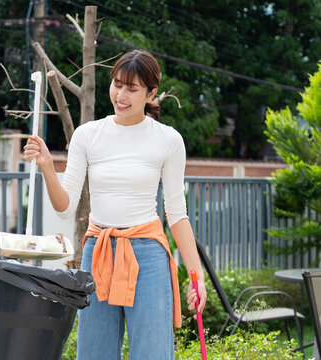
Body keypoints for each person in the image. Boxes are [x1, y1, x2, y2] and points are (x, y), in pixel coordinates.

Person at [24, 50, 207, 359]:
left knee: (152, 353)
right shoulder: (87, 135)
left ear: (151, 93)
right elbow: (64, 206)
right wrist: (45, 165)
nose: (121, 95)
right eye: (117, 84)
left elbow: (176, 215)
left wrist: (196, 276)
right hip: (98, 252)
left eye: (132, 88)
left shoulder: (168, 140)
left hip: (148, 255)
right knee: (95, 352)